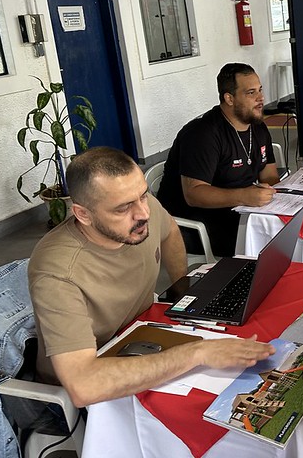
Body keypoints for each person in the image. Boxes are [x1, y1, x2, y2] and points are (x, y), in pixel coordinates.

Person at [28, 147, 275, 407]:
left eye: (143, 196)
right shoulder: (57, 272)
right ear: (83, 214)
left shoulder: (142, 211)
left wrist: (183, 289)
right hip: (81, 390)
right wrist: (198, 353)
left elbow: (169, 230)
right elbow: (83, 385)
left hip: (141, 335)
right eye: (122, 208)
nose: (143, 213)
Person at [157, 63, 279, 257]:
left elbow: (270, 176)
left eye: (260, 90)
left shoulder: (257, 127)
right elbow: (194, 194)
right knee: (268, 244)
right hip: (195, 223)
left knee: (288, 230)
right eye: (251, 93)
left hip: (239, 211)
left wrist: (280, 196)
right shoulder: (202, 134)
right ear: (229, 98)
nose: (261, 98)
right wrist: (245, 196)